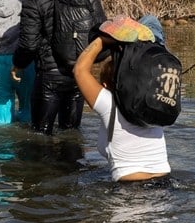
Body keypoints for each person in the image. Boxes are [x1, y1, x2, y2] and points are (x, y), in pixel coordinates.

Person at [11, 0, 107, 135]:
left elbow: (29, 44)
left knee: (40, 135)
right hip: (79, 74)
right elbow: (101, 28)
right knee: (71, 134)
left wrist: (18, 64)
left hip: (49, 77)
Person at [73, 17, 171, 182]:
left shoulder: (108, 103)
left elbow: (79, 70)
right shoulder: (151, 100)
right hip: (166, 183)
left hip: (130, 192)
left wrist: (102, 39)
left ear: (104, 84)